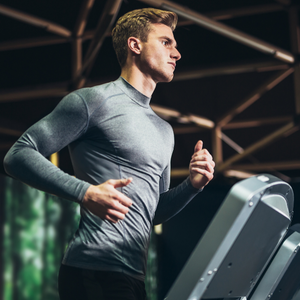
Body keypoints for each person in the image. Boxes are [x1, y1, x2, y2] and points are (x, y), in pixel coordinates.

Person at [4, 7, 215, 300]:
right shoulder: (94, 101)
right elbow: (18, 155)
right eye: (166, 42)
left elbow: (151, 212)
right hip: (93, 269)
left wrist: (193, 186)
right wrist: (85, 192)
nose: (177, 54)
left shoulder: (164, 130)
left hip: (133, 276)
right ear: (135, 45)